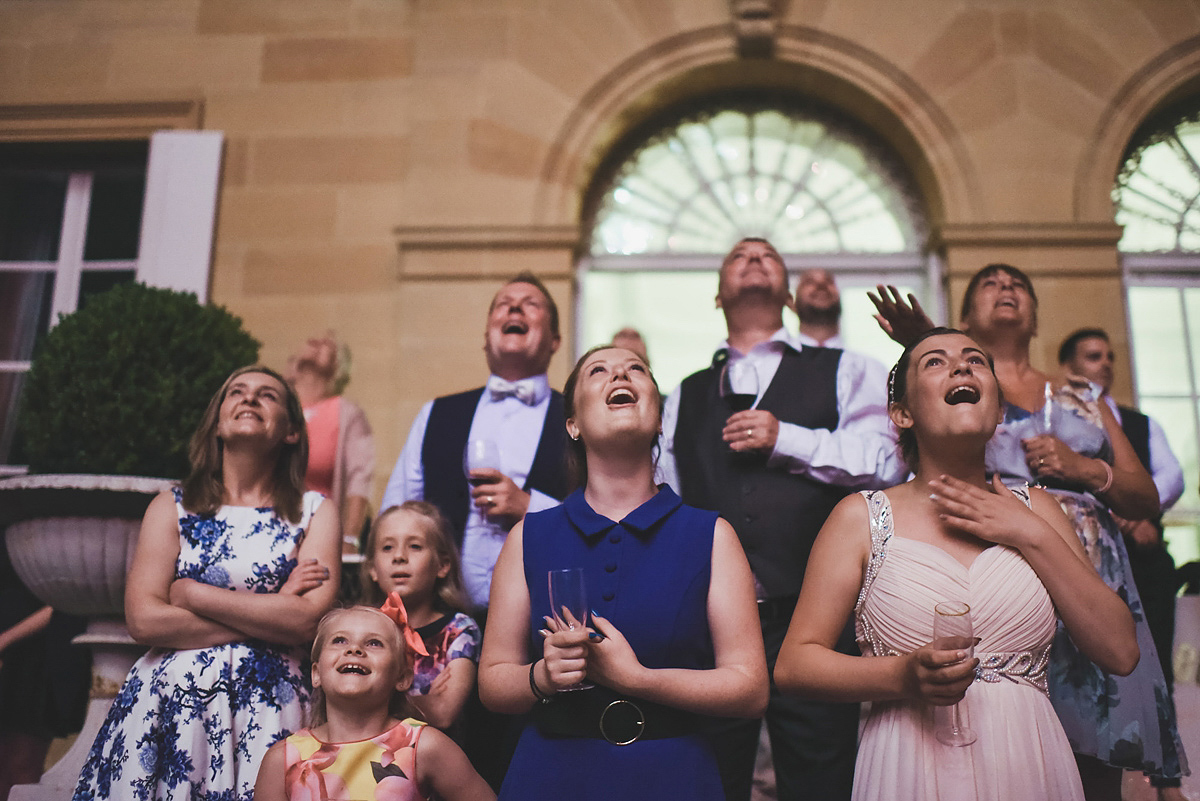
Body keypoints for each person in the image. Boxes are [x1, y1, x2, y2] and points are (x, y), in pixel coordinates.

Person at [775, 327, 1140, 800]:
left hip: (1027, 759)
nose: (962, 366)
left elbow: (1120, 651)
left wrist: (1027, 531)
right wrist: (900, 676)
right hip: (908, 762)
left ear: (1000, 410)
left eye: (975, 360)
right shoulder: (859, 517)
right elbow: (794, 666)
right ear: (901, 413)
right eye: (935, 362)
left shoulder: (1038, 510)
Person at [871, 268, 1188, 801]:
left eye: (1017, 283)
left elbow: (1145, 497)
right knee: (1006, 730)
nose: (1005, 287)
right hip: (998, 564)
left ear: (1036, 315)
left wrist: (1083, 469)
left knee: (1096, 744)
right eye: (989, 283)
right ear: (965, 316)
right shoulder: (966, 391)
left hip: (1086, 560)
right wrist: (928, 343)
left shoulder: (1080, 395)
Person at [659, 237, 905, 801]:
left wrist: (786, 438)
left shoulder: (848, 370)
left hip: (816, 610)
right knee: (710, 770)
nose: (753, 258)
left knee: (821, 772)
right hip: (714, 615)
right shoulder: (683, 394)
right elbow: (669, 494)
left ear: (789, 295)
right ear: (718, 295)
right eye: (739, 255)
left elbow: (888, 463)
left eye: (768, 254)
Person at [479, 345, 768, 801]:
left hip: (673, 776)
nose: (621, 374)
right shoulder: (529, 536)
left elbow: (750, 689)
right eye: (599, 371)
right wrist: (542, 675)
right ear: (572, 424)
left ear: (659, 420)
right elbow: (493, 681)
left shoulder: (711, 535)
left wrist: (638, 680)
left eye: (637, 370)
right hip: (551, 775)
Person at [73, 366, 342, 801]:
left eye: (267, 395)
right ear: (217, 422)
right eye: (236, 392)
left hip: (271, 712)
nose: (250, 399)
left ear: (292, 431)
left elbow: (308, 622)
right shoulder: (171, 506)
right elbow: (143, 620)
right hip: (169, 706)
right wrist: (272, 608)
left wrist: (191, 594)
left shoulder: (315, 512)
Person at [380, 272, 568, 612]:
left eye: (530, 305)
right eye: (503, 305)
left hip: (544, 620)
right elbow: (397, 514)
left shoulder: (577, 418)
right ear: (486, 336)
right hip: (440, 622)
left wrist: (530, 509)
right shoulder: (437, 413)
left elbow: (606, 518)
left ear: (555, 339)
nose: (514, 310)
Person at [1059, 327, 1187, 801]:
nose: (1106, 364)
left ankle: (1166, 780)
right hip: (1082, 550)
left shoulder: (1139, 421)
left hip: (1142, 548)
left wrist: (1142, 515)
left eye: (1110, 356)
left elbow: (1169, 476)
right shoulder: (1059, 415)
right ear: (1072, 367)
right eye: (1094, 356)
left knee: (1154, 665)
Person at [254, 605, 494, 801]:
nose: (355, 649)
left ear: (402, 677)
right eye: (339, 640)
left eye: (374, 643)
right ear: (315, 674)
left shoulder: (424, 746)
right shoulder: (282, 760)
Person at [361, 501, 481, 732]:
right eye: (387, 548)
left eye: (415, 546)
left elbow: (443, 712)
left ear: (443, 565)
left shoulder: (459, 630)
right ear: (372, 569)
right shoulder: (361, 627)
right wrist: (420, 702)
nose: (399, 556)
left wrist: (371, 700)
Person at [286, 331, 376, 554]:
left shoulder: (347, 413)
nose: (318, 341)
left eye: (328, 344)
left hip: (319, 535)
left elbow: (360, 478)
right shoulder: (278, 405)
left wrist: (350, 538)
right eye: (312, 339)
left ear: (338, 365)